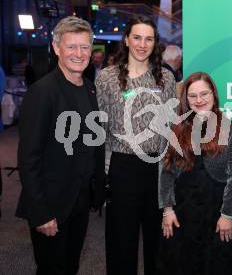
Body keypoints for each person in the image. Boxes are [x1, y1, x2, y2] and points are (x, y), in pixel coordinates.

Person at [15, 16, 106, 274]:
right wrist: (41, 212)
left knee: (70, 266)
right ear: (57, 48)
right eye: (72, 46)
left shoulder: (89, 88)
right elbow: (29, 158)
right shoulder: (43, 91)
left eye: (85, 47)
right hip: (50, 203)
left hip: (79, 199)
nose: (79, 53)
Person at [95, 16, 176, 275]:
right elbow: (100, 126)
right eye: (137, 37)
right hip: (122, 167)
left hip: (157, 167)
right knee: (121, 242)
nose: (143, 44)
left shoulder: (165, 77)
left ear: (155, 43)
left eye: (149, 39)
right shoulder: (106, 78)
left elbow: (172, 124)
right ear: (127, 40)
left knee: (158, 240)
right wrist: (102, 173)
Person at [158, 72, 232, 275]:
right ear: (185, 99)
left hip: (218, 213)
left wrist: (227, 214)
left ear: (214, 95)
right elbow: (165, 173)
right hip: (181, 214)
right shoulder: (173, 130)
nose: (199, 100)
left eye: (204, 94)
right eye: (193, 96)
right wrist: (167, 210)